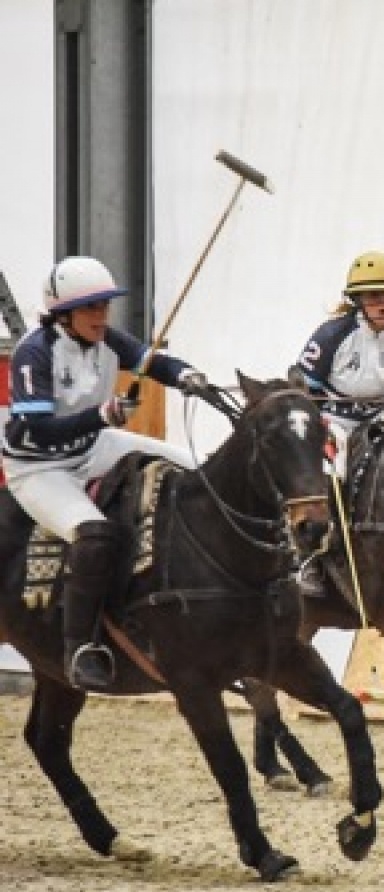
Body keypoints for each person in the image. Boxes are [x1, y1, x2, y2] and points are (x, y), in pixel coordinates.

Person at [2, 255, 209, 688]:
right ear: (64, 312)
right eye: (91, 308)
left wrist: (188, 375)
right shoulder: (33, 354)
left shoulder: (106, 340)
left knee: (194, 471)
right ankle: (80, 648)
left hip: (95, 447)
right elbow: (40, 430)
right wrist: (104, 414)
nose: (101, 316)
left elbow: (152, 361)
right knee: (93, 534)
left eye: (104, 306)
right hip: (41, 466)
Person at [291, 249, 384, 594]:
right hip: (332, 418)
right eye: (375, 296)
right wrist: (318, 431)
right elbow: (303, 391)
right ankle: (310, 561)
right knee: (333, 474)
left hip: (379, 419)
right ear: (358, 301)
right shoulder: (331, 335)